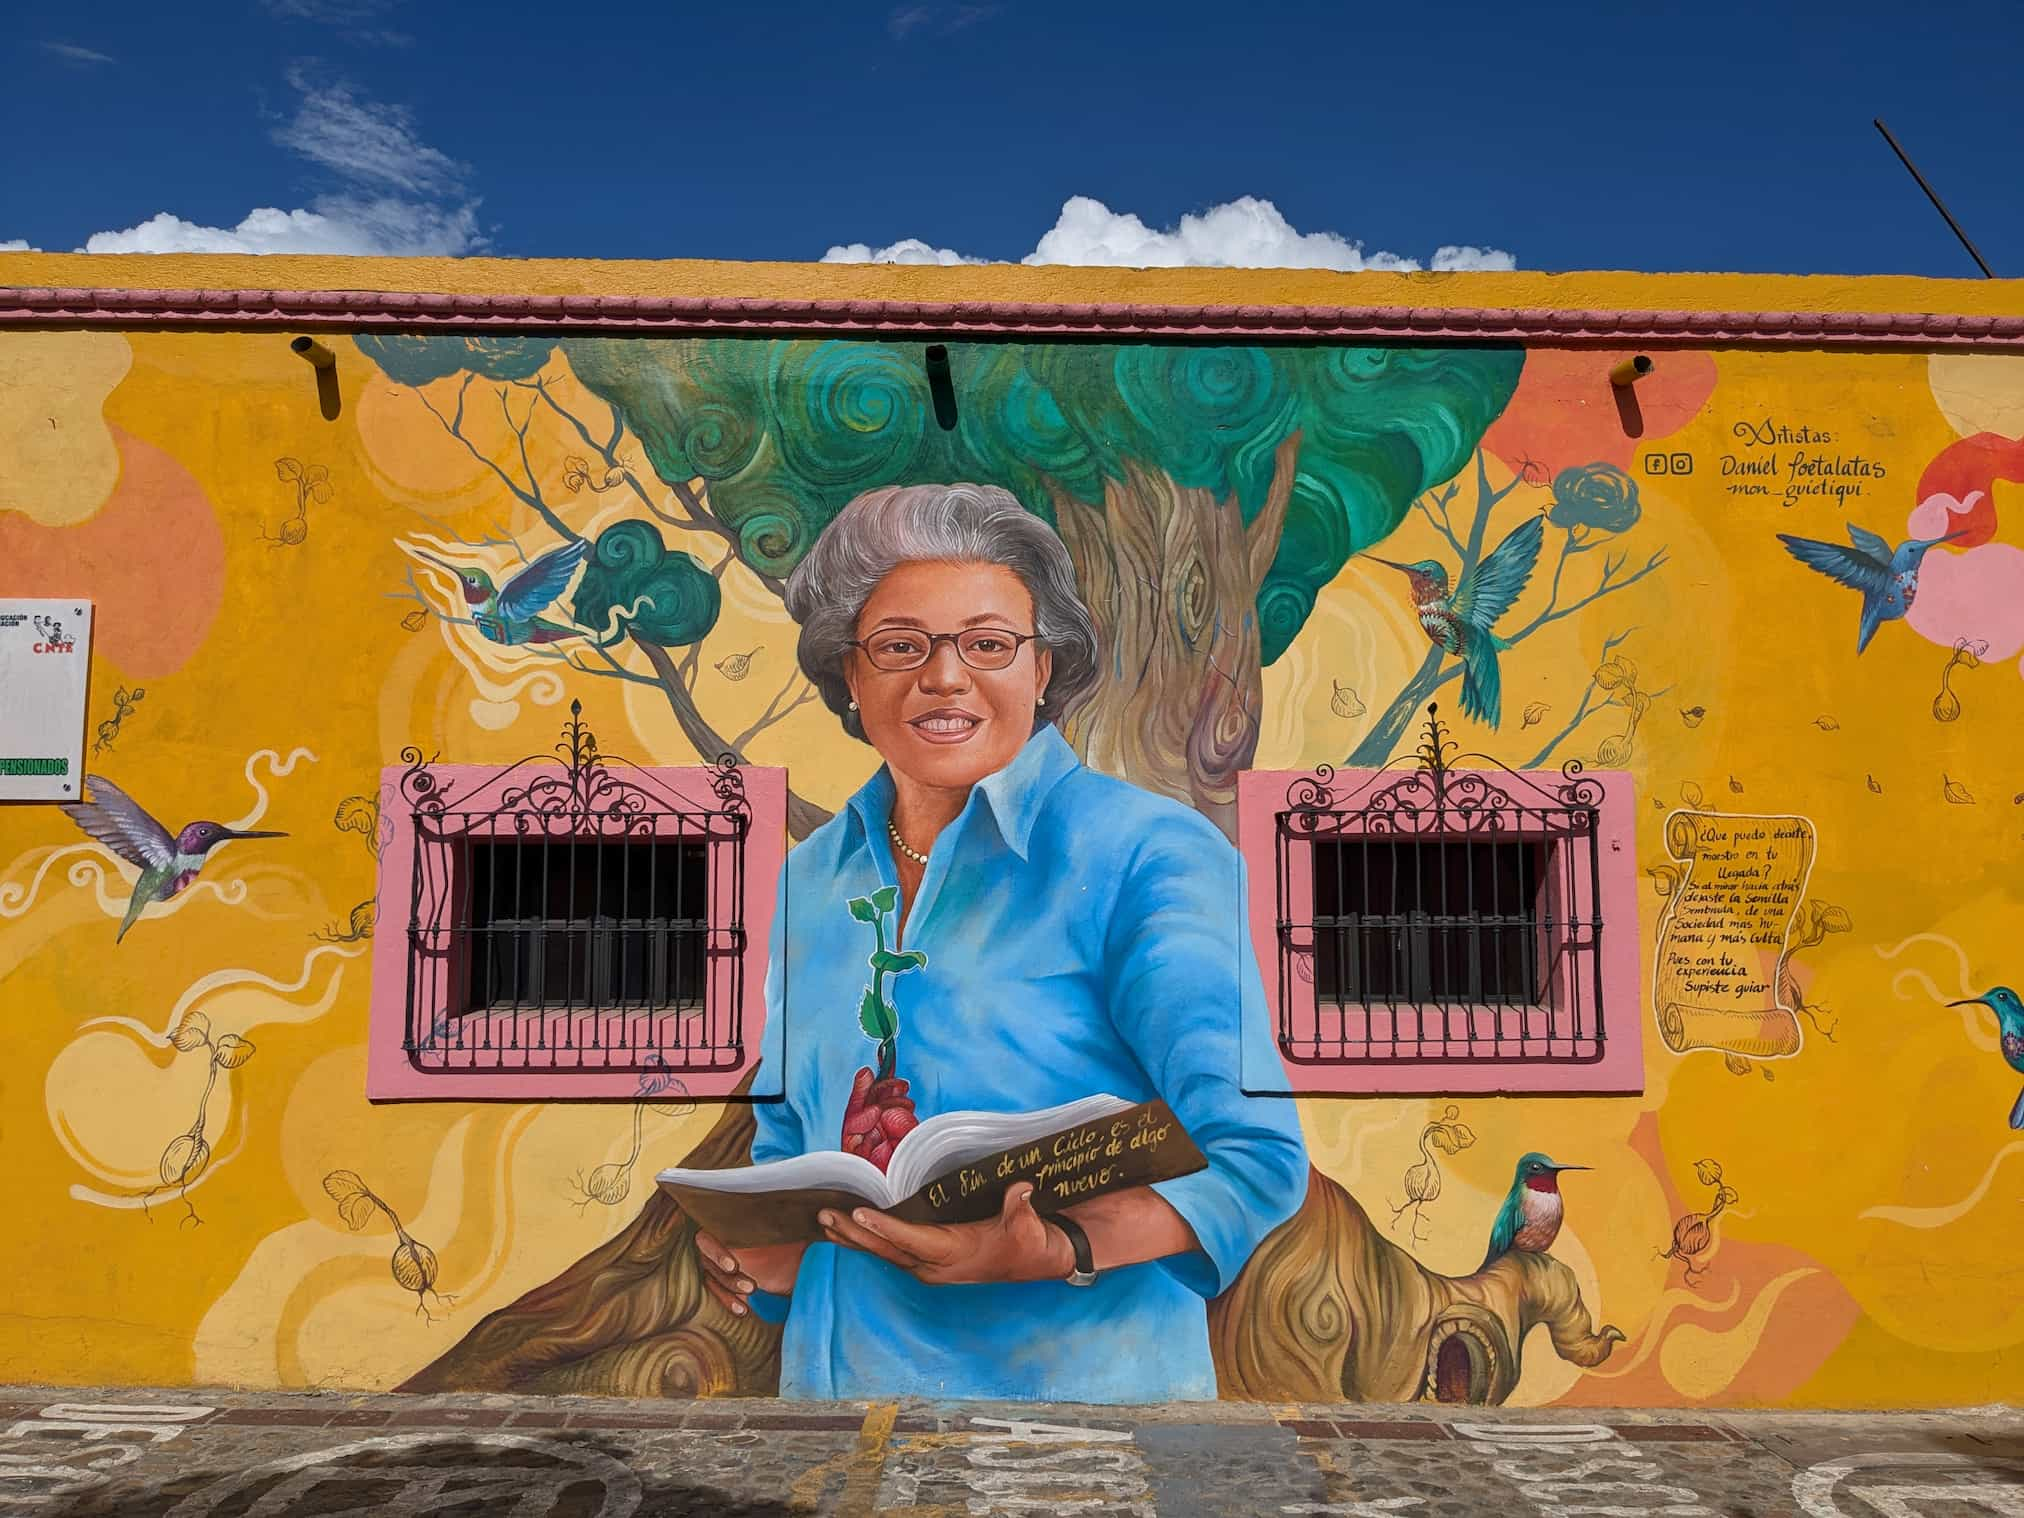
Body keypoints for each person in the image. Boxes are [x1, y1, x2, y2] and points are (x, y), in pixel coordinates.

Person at [692, 482, 1308, 1401]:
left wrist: (1058, 1245)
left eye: (988, 644)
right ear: (848, 676)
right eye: (900, 646)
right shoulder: (814, 877)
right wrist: (763, 1253)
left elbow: (1255, 1157)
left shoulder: (1148, 854)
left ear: (1044, 670)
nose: (944, 679)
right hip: (828, 1416)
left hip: (1081, 1428)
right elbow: (790, 1141)